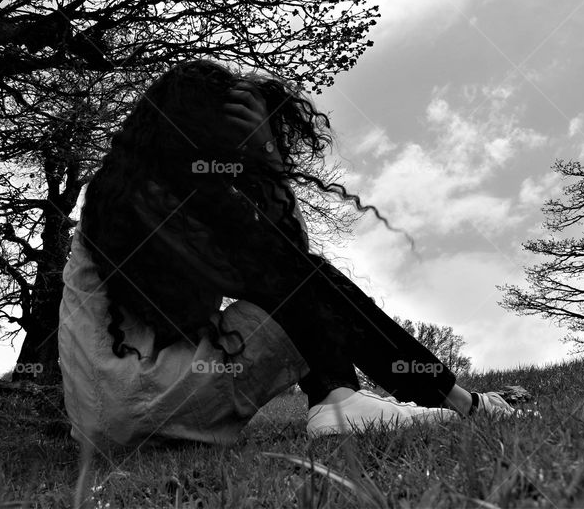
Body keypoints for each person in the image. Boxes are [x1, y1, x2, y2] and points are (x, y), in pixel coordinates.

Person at [58, 59, 514, 450]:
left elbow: (281, 265)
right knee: (301, 274)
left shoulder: (131, 194)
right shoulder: (144, 198)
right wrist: (269, 164)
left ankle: (364, 399)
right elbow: (289, 267)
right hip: (140, 393)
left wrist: (265, 167)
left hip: (118, 412)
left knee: (297, 273)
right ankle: (362, 400)